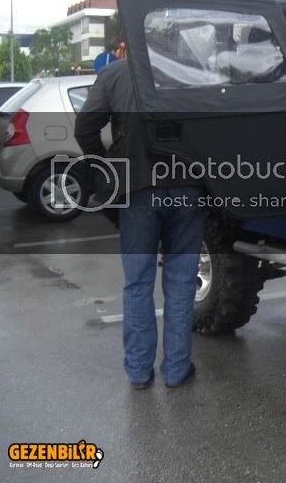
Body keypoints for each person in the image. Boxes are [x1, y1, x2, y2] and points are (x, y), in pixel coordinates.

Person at [75, 59, 205, 390]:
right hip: (189, 186)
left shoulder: (115, 74)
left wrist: (106, 163)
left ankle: (138, 371)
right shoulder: (189, 68)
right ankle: (176, 370)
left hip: (137, 188)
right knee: (181, 281)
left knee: (138, 282)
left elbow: (85, 128)